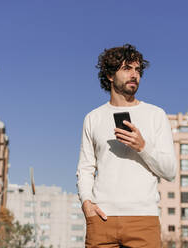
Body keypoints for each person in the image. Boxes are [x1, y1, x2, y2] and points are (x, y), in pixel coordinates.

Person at [76, 44, 177, 248]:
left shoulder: (155, 115)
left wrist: (143, 147)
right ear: (110, 75)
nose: (134, 75)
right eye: (127, 68)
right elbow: (86, 168)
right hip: (101, 220)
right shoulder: (93, 118)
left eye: (138, 70)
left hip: (143, 219)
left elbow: (170, 172)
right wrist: (87, 203)